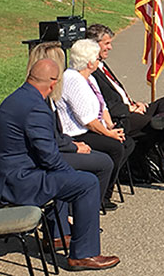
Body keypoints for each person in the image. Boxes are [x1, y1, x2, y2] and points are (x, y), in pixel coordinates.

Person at [0, 58, 119, 271]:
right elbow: (50, 158)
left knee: (66, 178)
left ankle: (58, 235)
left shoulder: (18, 97)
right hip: (16, 183)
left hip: (6, 176)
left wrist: (66, 177)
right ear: (53, 84)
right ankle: (83, 255)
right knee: (87, 183)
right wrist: (71, 178)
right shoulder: (36, 108)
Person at [86, 24, 164, 194]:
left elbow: (117, 93)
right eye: (107, 43)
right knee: (163, 128)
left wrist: (134, 103)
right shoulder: (90, 70)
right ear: (94, 44)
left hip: (130, 108)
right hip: (120, 118)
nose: (110, 47)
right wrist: (129, 108)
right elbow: (103, 104)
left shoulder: (102, 65)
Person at [27, 41, 115, 211]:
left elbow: (53, 135)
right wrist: (73, 147)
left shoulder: (42, 95)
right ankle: (80, 218)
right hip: (40, 159)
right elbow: (47, 141)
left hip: (55, 147)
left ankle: (78, 217)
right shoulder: (37, 101)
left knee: (108, 156)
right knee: (104, 163)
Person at [56, 39, 135, 205]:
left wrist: (111, 126)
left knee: (127, 142)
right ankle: (99, 196)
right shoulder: (72, 79)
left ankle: (106, 189)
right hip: (76, 133)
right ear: (90, 62)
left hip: (94, 128)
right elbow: (87, 120)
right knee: (115, 147)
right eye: (98, 59)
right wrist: (108, 134)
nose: (99, 62)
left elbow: (102, 106)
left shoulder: (89, 78)